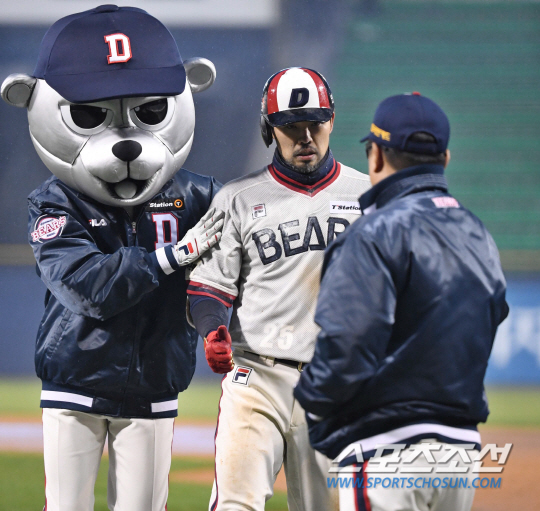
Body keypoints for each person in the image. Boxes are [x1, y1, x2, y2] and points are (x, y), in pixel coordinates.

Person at [2, 5, 223, 511]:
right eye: (88, 115)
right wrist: (171, 257)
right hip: (75, 380)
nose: (126, 143)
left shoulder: (200, 197)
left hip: (154, 381)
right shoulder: (55, 202)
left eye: (151, 111)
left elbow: (242, 252)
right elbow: (85, 286)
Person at [294, 93, 510, 511]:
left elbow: (347, 345)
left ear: (375, 155)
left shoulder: (372, 234)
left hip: (384, 447)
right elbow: (492, 315)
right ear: (445, 159)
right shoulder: (478, 234)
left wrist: (311, 400)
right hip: (461, 452)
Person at [186, 67, 371, 511]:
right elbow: (208, 286)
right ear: (269, 129)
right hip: (256, 376)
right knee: (235, 504)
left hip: (336, 382)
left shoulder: (369, 196)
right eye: (291, 126)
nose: (306, 136)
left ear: (331, 121)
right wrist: (213, 329)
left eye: (315, 123)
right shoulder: (237, 197)